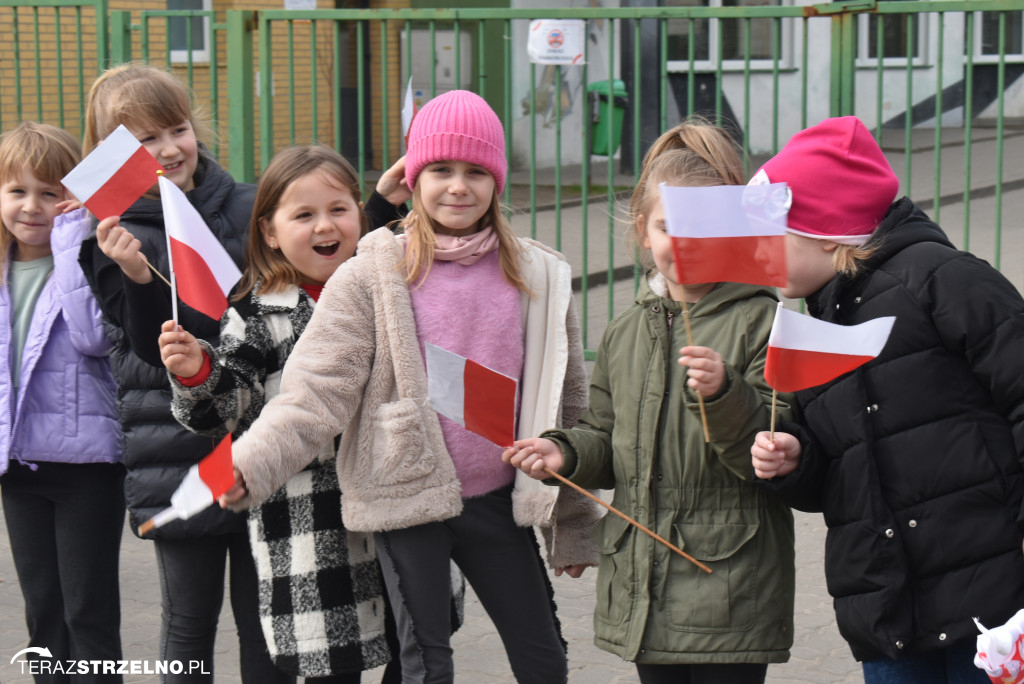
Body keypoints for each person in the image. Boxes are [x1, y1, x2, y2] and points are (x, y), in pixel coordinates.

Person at [218, 89, 604, 684]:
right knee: (426, 662)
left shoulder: (538, 273)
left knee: (544, 657)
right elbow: (316, 390)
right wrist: (252, 463)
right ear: (413, 177)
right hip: (408, 498)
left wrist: (573, 524)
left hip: (500, 498)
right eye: (441, 170)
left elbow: (569, 401)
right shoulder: (371, 271)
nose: (458, 186)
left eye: (476, 171)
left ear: (497, 180)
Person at [502, 119, 796, 684]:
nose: (683, 245)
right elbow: (607, 436)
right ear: (643, 230)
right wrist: (564, 453)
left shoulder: (762, 320)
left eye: (703, 229)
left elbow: (770, 454)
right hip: (644, 578)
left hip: (729, 578)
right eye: (668, 227)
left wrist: (724, 392)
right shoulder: (625, 329)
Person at [748, 115, 1024, 684]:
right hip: (889, 608)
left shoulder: (945, 282)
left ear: (825, 229)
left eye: (769, 235)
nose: (755, 253)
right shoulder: (816, 321)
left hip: (990, 600)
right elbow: (837, 473)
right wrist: (795, 461)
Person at [156, 145, 405, 683]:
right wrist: (199, 371)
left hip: (396, 508)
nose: (325, 225)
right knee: (331, 665)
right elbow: (227, 406)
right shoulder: (256, 314)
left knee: (414, 648)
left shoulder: (390, 291)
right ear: (269, 231)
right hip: (310, 522)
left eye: (339, 209)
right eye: (304, 214)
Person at [76, 61, 284, 683]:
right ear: (114, 157)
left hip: (261, 445)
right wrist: (140, 278)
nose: (168, 149)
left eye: (177, 129)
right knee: (189, 625)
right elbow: (145, 350)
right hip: (176, 455)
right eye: (144, 140)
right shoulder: (113, 238)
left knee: (266, 623)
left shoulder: (253, 206)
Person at [0, 121, 124, 683]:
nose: (32, 206)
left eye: (49, 192)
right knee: (43, 617)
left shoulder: (84, 252)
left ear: (71, 196)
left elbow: (92, 337)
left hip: (86, 467)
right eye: (17, 191)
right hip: (19, 466)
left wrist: (73, 238)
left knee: (87, 615)